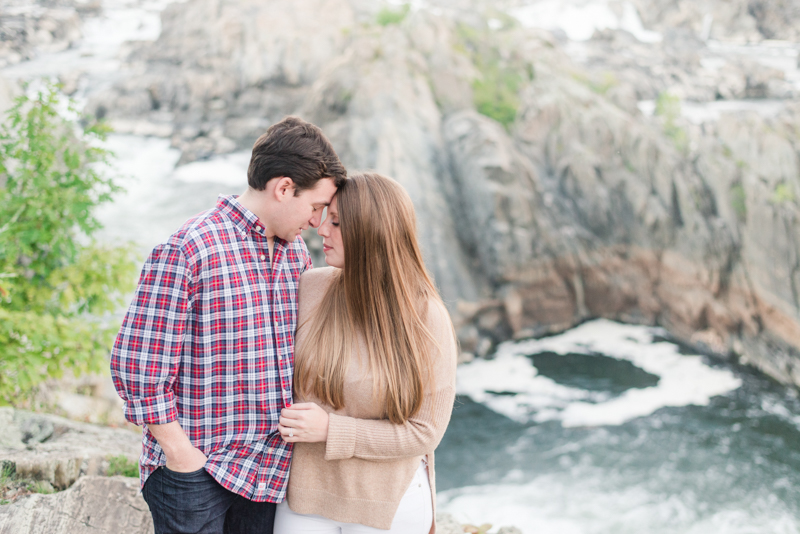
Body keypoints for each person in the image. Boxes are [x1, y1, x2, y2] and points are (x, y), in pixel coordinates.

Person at [110, 116, 347, 534]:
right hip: (197, 473)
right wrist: (182, 457)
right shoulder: (190, 248)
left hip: (265, 472)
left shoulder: (296, 257)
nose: (316, 222)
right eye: (314, 207)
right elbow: (137, 366)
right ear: (283, 188)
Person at [273, 172, 458, 534]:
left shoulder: (425, 317)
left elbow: (425, 432)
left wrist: (330, 429)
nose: (321, 229)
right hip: (305, 497)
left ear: (371, 231)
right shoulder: (310, 287)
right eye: (325, 215)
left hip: (389, 504)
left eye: (337, 222)